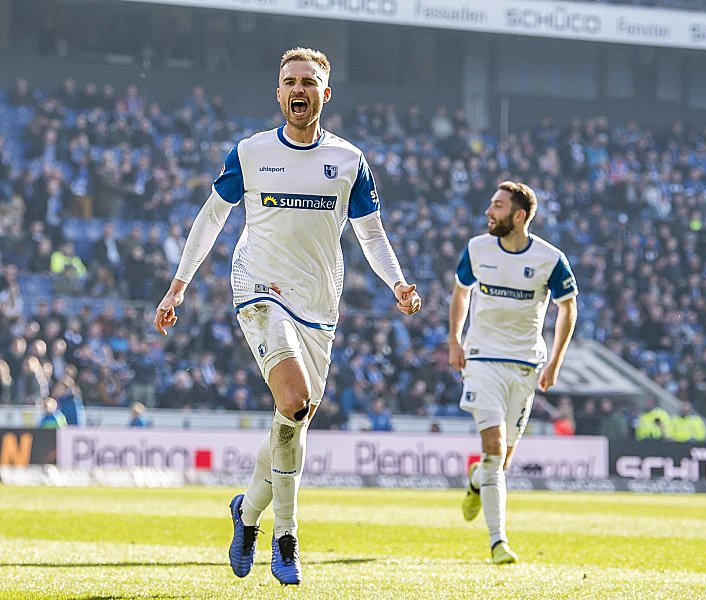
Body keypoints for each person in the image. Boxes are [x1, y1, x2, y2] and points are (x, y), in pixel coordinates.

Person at [152, 47, 421, 586]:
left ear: (326, 94)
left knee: (292, 417)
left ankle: (246, 513)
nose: (298, 89)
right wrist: (177, 287)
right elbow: (211, 219)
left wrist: (397, 282)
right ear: (278, 93)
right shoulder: (250, 153)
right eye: (289, 81)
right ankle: (287, 535)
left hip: (319, 303)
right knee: (294, 400)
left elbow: (370, 233)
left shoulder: (349, 161)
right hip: (259, 287)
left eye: (309, 81)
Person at [448, 181, 578, 564]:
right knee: (492, 449)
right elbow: (461, 293)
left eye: (498, 206)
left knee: (500, 462)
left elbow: (568, 308)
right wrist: (455, 339)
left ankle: (475, 482)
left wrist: (555, 361)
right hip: (482, 359)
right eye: (491, 204)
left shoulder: (550, 259)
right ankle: (497, 541)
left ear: (519, 216)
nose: (490, 211)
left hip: (524, 365)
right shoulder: (477, 248)